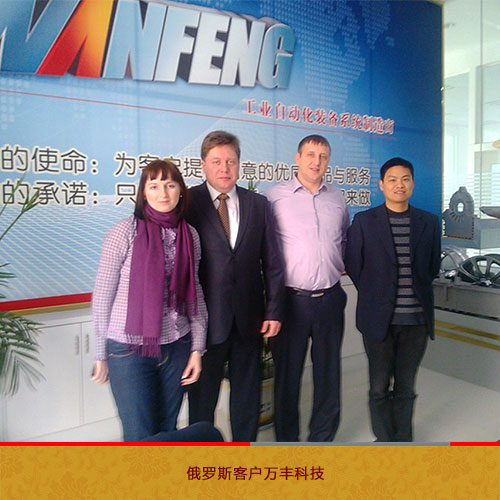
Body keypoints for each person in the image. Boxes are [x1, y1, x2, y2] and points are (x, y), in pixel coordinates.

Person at [92, 159, 207, 442]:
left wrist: (197, 349)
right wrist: (100, 354)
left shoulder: (189, 235)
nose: (162, 193)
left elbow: (195, 292)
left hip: (177, 346)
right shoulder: (124, 231)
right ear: (143, 192)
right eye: (153, 186)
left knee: (167, 430)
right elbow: (103, 295)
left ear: (181, 190)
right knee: (139, 435)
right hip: (129, 350)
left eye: (170, 185)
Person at [187, 130, 285, 442]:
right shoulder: (187, 202)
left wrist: (274, 310)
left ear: (239, 164)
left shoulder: (258, 204)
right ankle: (202, 456)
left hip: (249, 319)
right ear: (203, 164)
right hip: (205, 321)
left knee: (247, 395)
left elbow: (273, 262)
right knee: (202, 400)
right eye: (216, 161)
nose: (224, 168)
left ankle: (244, 450)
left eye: (230, 161)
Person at [344, 157, 441, 442]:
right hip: (379, 321)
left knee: (406, 387)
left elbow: (432, 267)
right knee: (378, 387)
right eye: (393, 180)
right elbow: (354, 265)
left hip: (416, 322)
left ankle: (403, 441)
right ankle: (385, 441)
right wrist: (377, 295)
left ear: (412, 183)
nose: (400, 185)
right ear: (382, 185)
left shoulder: (428, 222)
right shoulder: (364, 221)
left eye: (405, 179)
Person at [265, 134, 350, 442]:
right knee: (288, 376)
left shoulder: (337, 198)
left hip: (330, 297)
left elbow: (343, 239)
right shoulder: (274, 197)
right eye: (311, 155)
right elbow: (266, 249)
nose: (317, 162)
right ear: (298, 158)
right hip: (291, 301)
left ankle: (322, 438)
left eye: (323, 156)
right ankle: (287, 440)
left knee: (329, 373)